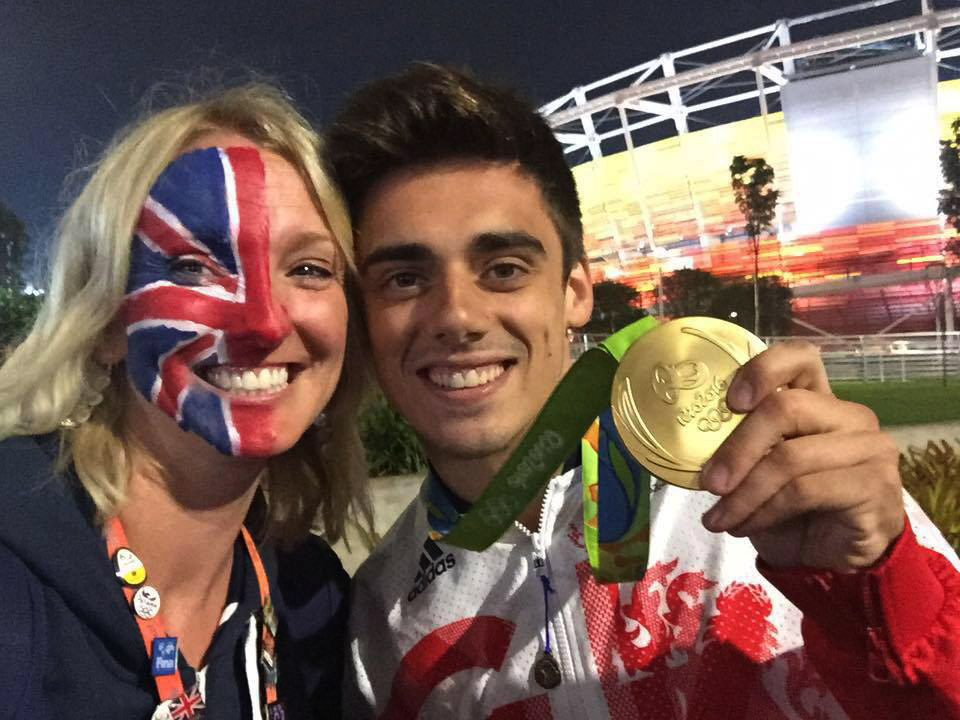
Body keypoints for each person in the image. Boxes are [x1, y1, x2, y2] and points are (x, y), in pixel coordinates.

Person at [326, 63, 960, 719]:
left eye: (504, 269)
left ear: (574, 290)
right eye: (404, 279)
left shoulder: (771, 477)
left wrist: (876, 587)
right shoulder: (381, 614)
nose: (456, 315)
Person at [0, 83, 373, 719]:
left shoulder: (315, 603)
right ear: (109, 322)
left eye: (309, 269)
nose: (263, 323)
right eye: (193, 268)